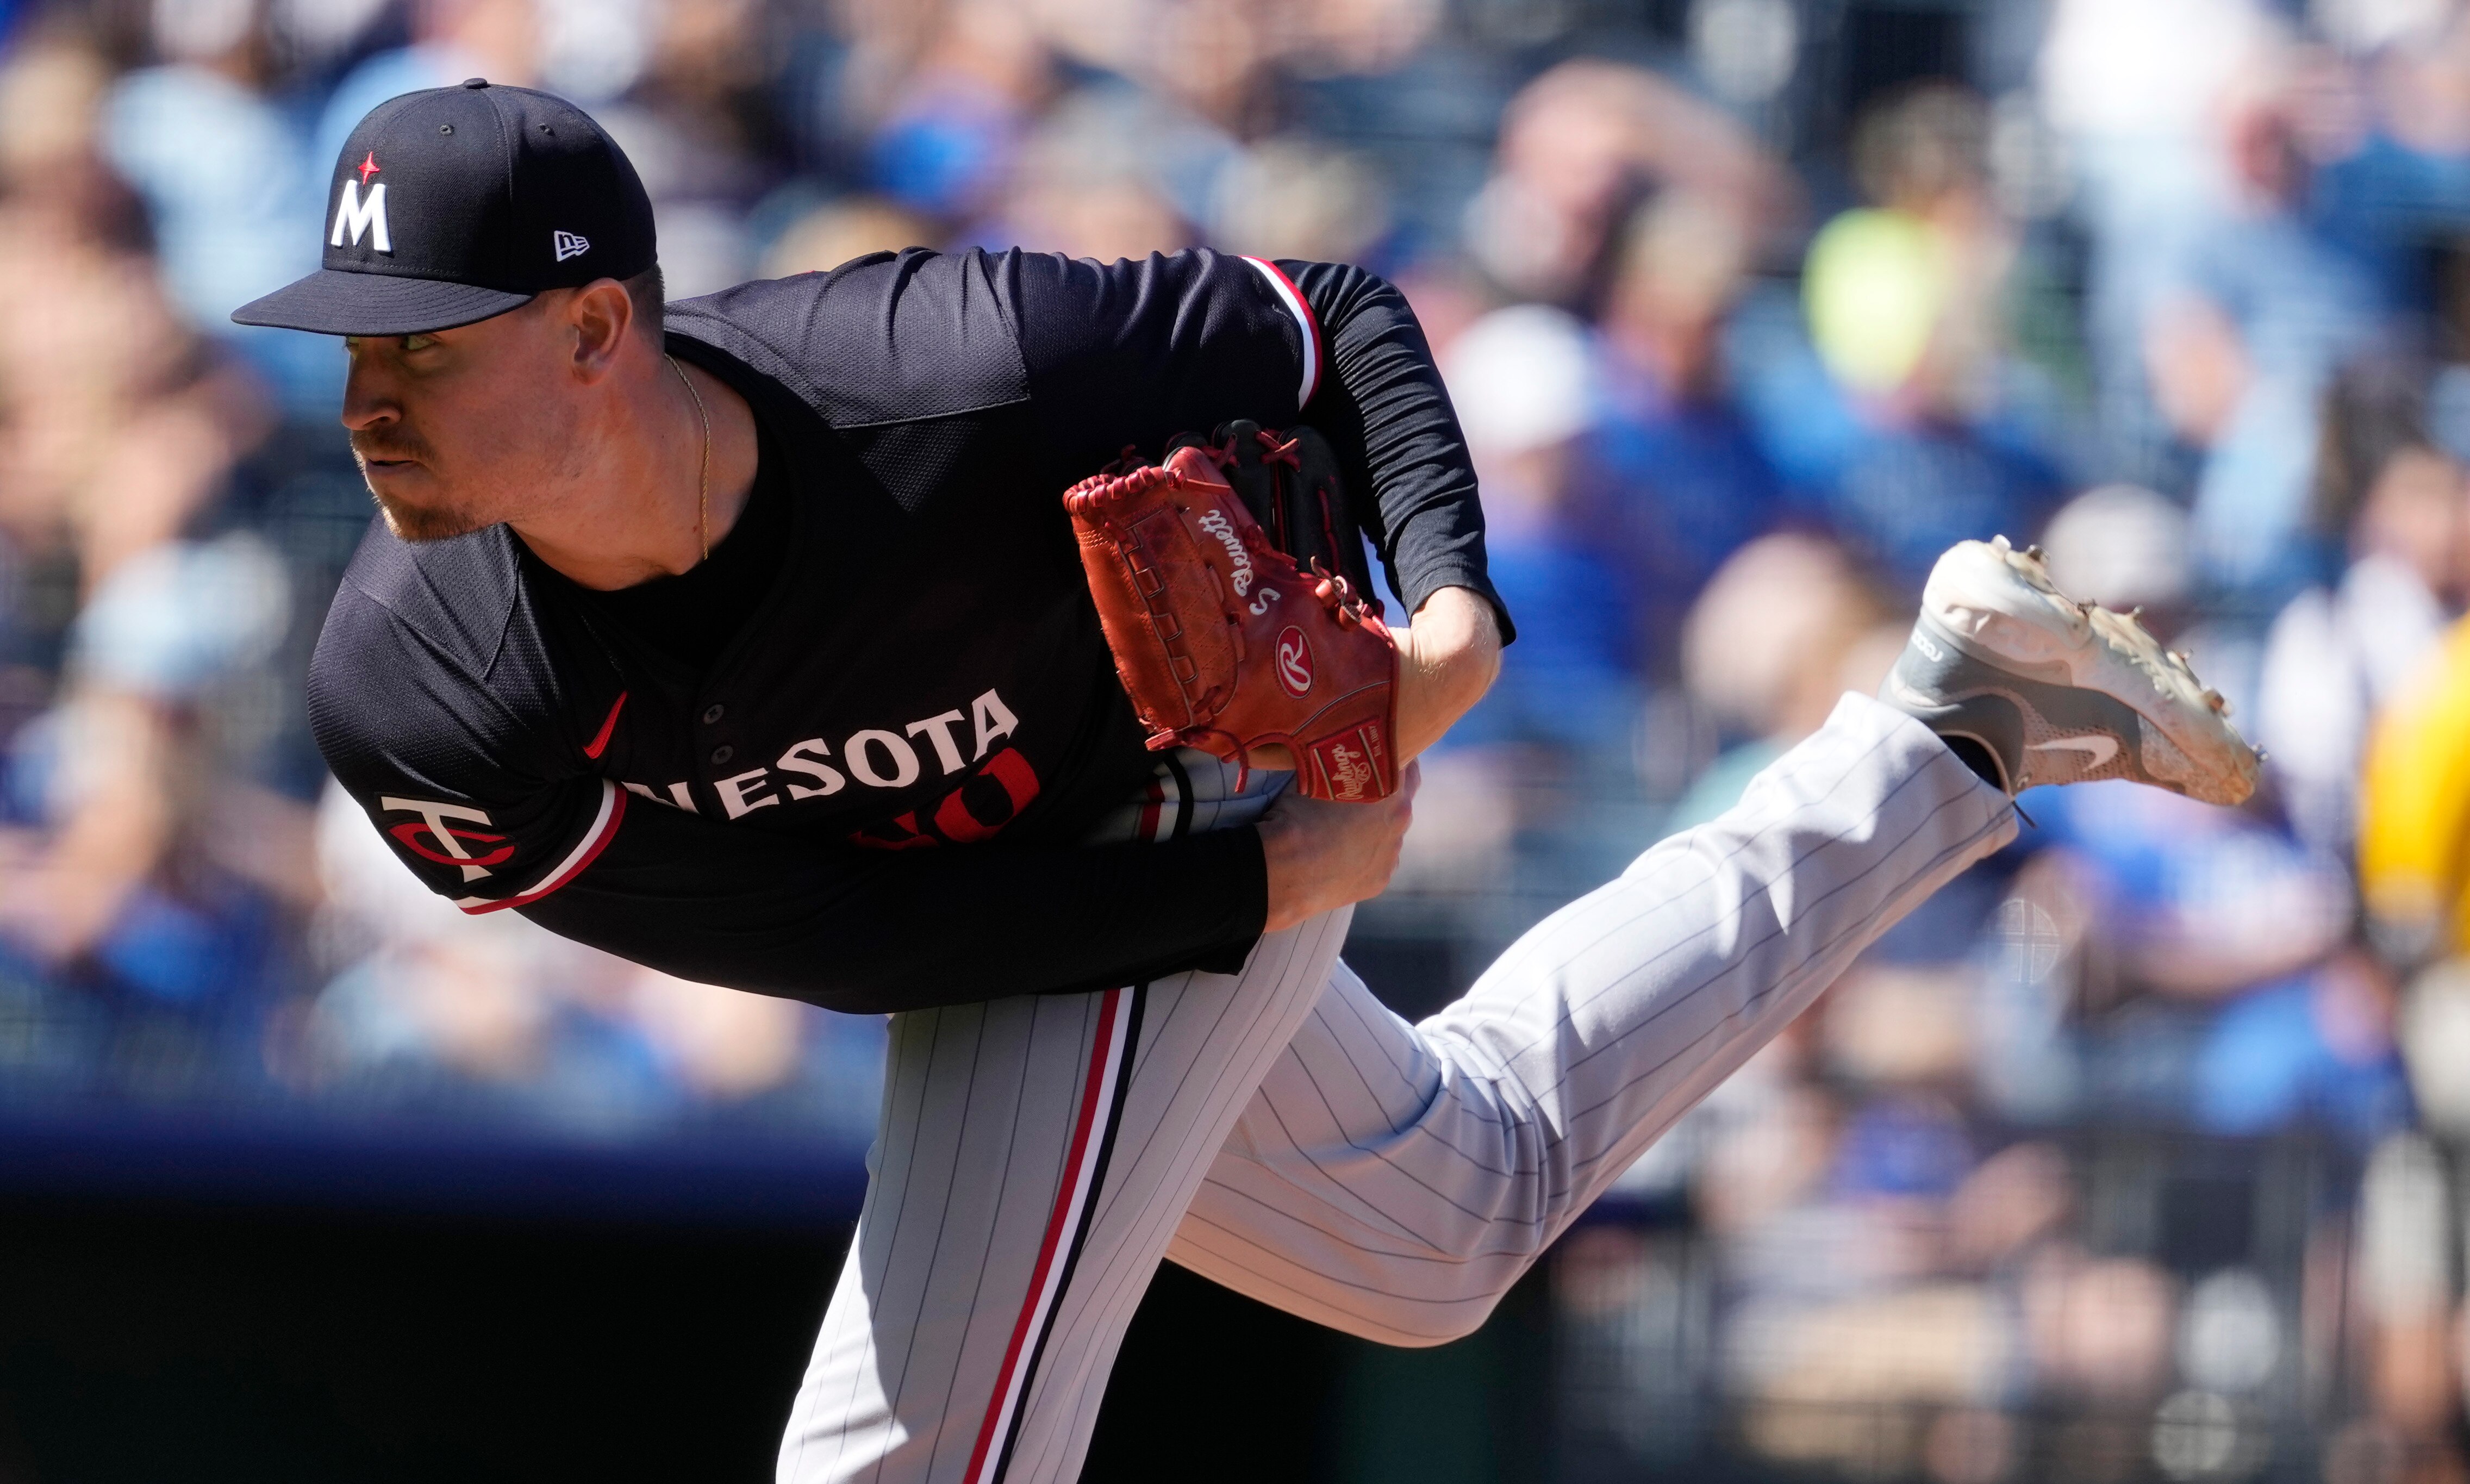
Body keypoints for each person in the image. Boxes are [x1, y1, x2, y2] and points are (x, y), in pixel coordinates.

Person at [236, 82, 2260, 1484]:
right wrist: (1256, 893)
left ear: (603, 326)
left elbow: (1338, 326)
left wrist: (1452, 610)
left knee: (905, 1454)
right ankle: (1956, 736)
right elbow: (847, 943)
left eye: (423, 341)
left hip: (1162, 772)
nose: (366, 394)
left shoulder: (953, 374)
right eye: (350, 343)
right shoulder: (424, 704)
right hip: (1093, 894)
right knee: (1445, 1222)